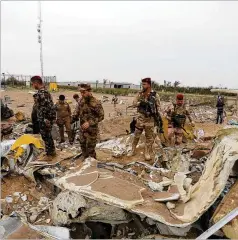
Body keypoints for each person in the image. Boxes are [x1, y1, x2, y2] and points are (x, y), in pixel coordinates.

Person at [127, 77, 162, 161]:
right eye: (142, 84)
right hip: (141, 118)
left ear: (149, 85)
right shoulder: (140, 94)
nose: (143, 86)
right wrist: (141, 103)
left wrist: (155, 114)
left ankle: (147, 152)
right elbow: (134, 103)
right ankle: (133, 150)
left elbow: (158, 107)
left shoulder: (155, 95)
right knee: (136, 135)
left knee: (149, 138)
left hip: (150, 119)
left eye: (144, 84)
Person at [72, 84, 104, 159]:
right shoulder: (80, 100)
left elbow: (101, 116)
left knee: (90, 149)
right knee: (82, 146)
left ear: (89, 91)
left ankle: (92, 164)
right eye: (81, 92)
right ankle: (85, 162)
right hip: (82, 129)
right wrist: (71, 119)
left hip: (92, 131)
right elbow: (76, 112)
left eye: (83, 92)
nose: (82, 94)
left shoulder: (96, 102)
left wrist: (89, 122)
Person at [30, 76, 56, 160]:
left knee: (46, 136)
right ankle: (51, 152)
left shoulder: (41, 93)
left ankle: (49, 155)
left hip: (45, 119)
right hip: (45, 119)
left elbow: (46, 108)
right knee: (47, 136)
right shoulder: (44, 92)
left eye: (33, 84)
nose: (33, 85)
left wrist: (46, 119)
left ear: (36, 83)